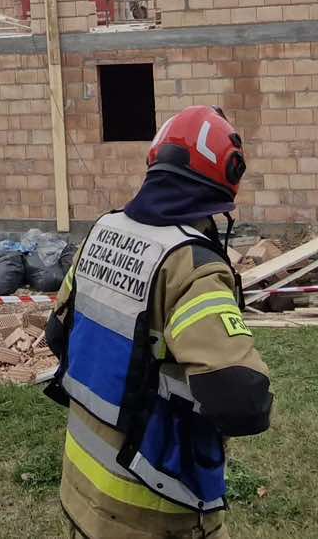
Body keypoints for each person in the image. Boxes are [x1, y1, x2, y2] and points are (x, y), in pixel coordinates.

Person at [44, 105, 273, 539]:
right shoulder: (191, 265)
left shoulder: (102, 231)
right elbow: (244, 403)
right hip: (154, 506)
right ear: (225, 179)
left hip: (80, 489)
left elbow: (58, 334)